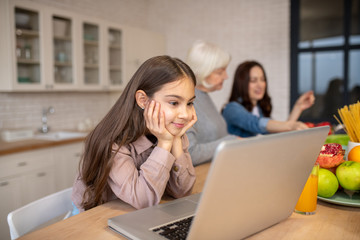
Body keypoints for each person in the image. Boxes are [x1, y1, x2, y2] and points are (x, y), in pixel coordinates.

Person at [71, 56, 198, 213]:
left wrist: (176, 140)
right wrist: (165, 144)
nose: (185, 114)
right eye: (174, 103)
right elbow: (144, 201)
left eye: (190, 103)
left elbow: (182, 192)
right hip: (92, 219)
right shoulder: (113, 142)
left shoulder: (172, 131)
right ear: (143, 100)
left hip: (133, 217)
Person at [222, 60, 314, 138]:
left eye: (262, 79)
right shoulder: (231, 109)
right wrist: (291, 125)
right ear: (241, 84)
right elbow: (255, 123)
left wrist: (298, 107)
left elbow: (280, 134)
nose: (260, 85)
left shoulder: (259, 109)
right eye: (253, 81)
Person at [185, 40, 237, 166]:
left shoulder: (204, 97)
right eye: (220, 72)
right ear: (203, 72)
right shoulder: (187, 101)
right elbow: (190, 153)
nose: (226, 76)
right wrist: (232, 140)